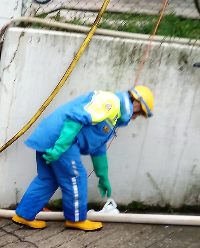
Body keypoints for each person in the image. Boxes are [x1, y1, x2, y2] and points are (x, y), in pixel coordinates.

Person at [12, 86, 154, 231]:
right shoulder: (111, 102)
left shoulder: (113, 116)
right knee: (76, 177)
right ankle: (76, 219)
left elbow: (98, 148)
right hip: (61, 139)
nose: (136, 118)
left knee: (48, 179)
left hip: (49, 136)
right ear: (136, 103)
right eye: (140, 113)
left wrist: (103, 177)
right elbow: (76, 119)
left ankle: (24, 215)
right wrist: (59, 148)